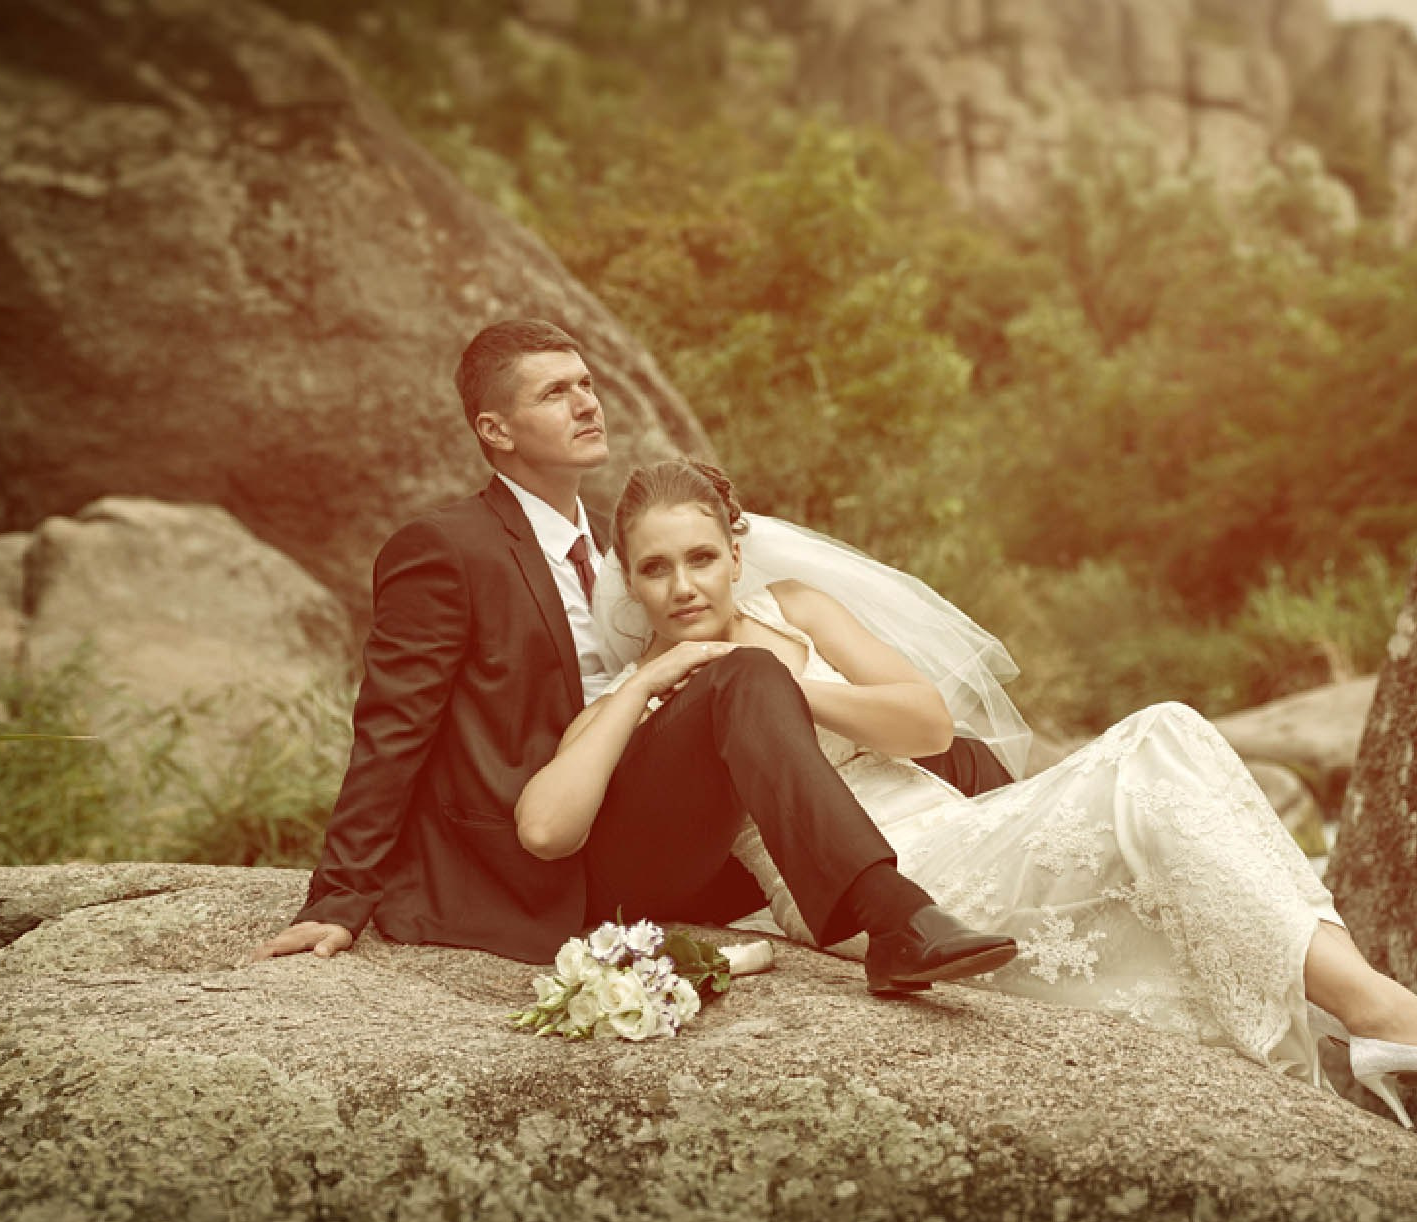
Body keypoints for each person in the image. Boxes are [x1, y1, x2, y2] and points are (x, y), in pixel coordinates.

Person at [537, 457, 1417, 1128]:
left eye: (700, 558)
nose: (682, 586)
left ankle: (1364, 1014)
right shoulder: (646, 694)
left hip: (957, 826)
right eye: (654, 569)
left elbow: (926, 724)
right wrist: (650, 686)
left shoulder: (794, 610)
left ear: (735, 551)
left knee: (1172, 751)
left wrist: (793, 685)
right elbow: (546, 825)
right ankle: (1377, 1013)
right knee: (1157, 740)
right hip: (866, 884)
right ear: (628, 581)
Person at [249, 319, 1016, 996]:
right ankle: (890, 915)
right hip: (556, 846)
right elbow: (392, 729)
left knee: (964, 759)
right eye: (555, 393)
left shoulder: (622, 548)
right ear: (495, 430)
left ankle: (953, 878)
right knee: (742, 672)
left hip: (694, 827)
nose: (587, 403)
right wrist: (338, 898)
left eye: (587, 384)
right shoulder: (448, 550)